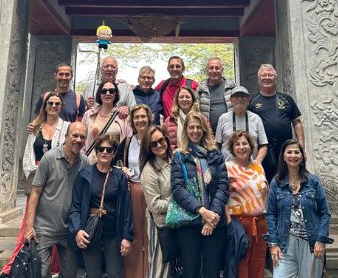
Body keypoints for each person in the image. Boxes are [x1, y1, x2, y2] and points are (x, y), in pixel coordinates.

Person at [24, 120, 88, 277]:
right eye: (75, 135)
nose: (78, 140)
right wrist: (29, 226)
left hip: (69, 230)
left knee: (69, 274)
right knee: (41, 272)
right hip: (44, 228)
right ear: (66, 136)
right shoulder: (49, 158)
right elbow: (35, 192)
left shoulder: (84, 162)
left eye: (82, 137)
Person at [69, 129, 134, 277]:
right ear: (96, 152)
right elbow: (76, 206)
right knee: (92, 274)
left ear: (113, 153)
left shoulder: (119, 176)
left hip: (113, 233)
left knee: (115, 273)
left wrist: (127, 237)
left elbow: (126, 209)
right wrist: (77, 231)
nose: (104, 152)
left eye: (109, 149)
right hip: (90, 232)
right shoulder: (85, 174)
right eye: (101, 149)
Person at [171, 110, 229, 278]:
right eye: (191, 127)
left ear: (204, 129)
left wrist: (212, 217)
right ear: (186, 130)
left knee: (212, 271)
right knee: (191, 272)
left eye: (198, 127)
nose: (195, 131)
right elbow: (178, 189)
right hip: (190, 222)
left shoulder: (215, 155)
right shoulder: (179, 156)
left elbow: (223, 186)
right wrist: (202, 211)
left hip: (215, 222)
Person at [266, 140, 329, 278]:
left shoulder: (314, 181)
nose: (293, 155)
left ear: (302, 156)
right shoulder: (276, 182)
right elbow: (271, 214)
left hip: (311, 243)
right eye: (289, 152)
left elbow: (325, 213)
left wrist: (321, 240)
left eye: (296, 152)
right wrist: (273, 244)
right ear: (283, 156)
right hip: (285, 243)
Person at [225, 130, 269, 278]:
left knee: (259, 263)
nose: (241, 147)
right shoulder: (227, 167)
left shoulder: (258, 167)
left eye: (245, 143)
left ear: (251, 147)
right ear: (232, 148)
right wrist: (228, 220)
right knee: (241, 265)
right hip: (239, 224)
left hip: (260, 223)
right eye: (237, 144)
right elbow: (221, 195)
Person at [250, 64, 302, 175]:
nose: (267, 78)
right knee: (264, 180)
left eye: (270, 75)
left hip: (285, 149)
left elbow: (297, 123)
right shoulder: (252, 101)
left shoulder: (286, 99)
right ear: (259, 79)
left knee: (287, 178)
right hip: (262, 150)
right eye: (264, 75)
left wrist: (301, 148)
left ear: (275, 78)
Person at [139, 126, 175, 278]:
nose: (159, 145)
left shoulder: (175, 159)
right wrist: (178, 204)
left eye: (161, 140)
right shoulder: (149, 171)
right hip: (160, 225)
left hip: (177, 223)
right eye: (154, 144)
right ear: (148, 147)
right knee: (159, 269)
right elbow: (154, 205)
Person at [216, 86, 269, 161]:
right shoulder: (223, 118)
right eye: (236, 96)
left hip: (250, 167)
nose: (240, 99)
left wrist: (258, 161)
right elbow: (217, 144)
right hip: (228, 168)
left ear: (248, 100)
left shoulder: (256, 118)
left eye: (243, 96)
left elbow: (263, 145)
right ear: (231, 100)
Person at [25, 93, 71, 179]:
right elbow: (27, 152)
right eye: (50, 103)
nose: (54, 106)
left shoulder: (67, 128)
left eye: (57, 104)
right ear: (45, 105)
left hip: (56, 177)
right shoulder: (35, 127)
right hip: (35, 175)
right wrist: (28, 174)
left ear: (61, 107)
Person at [84, 81, 130, 158]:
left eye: (111, 91)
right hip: (91, 163)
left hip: (113, 163)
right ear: (99, 94)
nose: (108, 94)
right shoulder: (88, 114)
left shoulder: (123, 116)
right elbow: (82, 138)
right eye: (104, 91)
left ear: (116, 94)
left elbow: (128, 143)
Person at [200, 58, 236, 125]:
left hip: (229, 129)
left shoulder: (232, 87)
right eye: (211, 68)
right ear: (207, 70)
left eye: (217, 68)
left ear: (222, 70)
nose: (214, 71)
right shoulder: (200, 89)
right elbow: (195, 110)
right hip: (207, 131)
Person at [125, 105, 156, 178]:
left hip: (153, 187)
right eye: (136, 117)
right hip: (133, 187)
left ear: (149, 118)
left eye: (143, 116)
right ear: (132, 121)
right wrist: (130, 173)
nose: (140, 120)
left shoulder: (155, 140)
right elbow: (121, 166)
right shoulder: (127, 141)